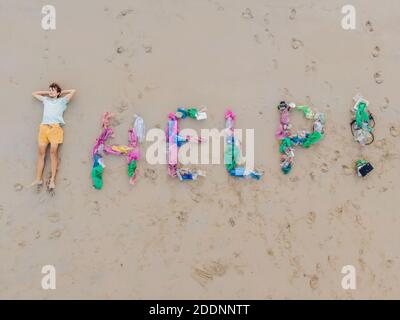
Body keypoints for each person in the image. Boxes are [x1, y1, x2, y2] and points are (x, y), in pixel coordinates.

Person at [31, 83, 76, 193]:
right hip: (44, 128)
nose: (50, 91)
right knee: (41, 153)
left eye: (53, 90)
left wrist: (60, 92)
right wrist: (49, 93)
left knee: (53, 153)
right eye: (50, 90)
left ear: (58, 92)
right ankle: (38, 178)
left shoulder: (62, 101)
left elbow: (73, 91)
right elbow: (34, 93)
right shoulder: (46, 100)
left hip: (55, 128)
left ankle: (52, 180)